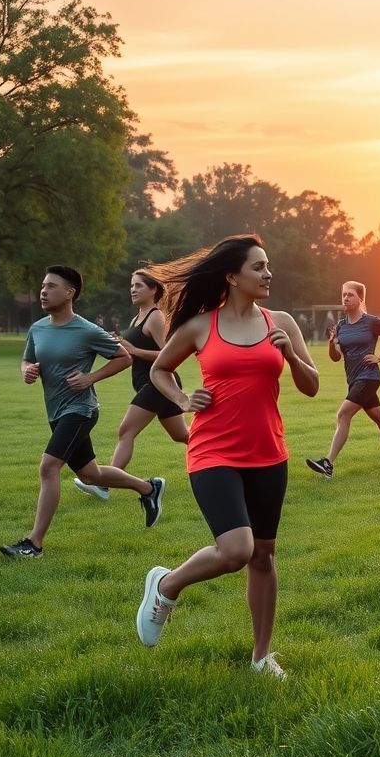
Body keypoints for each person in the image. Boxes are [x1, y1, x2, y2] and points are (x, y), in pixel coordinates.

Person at [136, 235, 319, 676]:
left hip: (269, 452)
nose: (268, 273)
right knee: (237, 549)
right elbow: (160, 369)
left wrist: (291, 354)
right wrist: (181, 400)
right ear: (232, 276)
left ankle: (261, 656)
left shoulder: (282, 321)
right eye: (258, 267)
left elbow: (311, 386)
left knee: (264, 555)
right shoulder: (201, 325)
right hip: (213, 450)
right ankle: (167, 583)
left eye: (268, 265)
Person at [0, 266, 166, 559]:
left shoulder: (87, 329)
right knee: (91, 475)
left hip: (81, 410)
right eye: (43, 286)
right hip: (56, 411)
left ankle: (33, 544)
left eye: (51, 286)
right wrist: (28, 371)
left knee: (48, 467)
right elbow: (27, 359)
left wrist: (90, 378)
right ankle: (148, 488)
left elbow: (123, 357)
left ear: (69, 292)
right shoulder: (38, 328)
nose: (43, 291)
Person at [73, 270, 189, 499]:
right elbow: (130, 351)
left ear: (153, 289)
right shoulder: (137, 317)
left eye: (138, 286)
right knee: (182, 436)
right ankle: (227, 458)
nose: (133, 290)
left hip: (158, 383)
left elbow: (170, 355)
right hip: (151, 384)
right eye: (131, 286)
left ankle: (103, 486)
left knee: (126, 431)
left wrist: (134, 350)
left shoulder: (155, 317)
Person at [305, 282, 380, 478]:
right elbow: (336, 358)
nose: (345, 298)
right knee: (379, 418)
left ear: (360, 298)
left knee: (343, 414)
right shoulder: (341, 326)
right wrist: (331, 342)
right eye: (343, 295)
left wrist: (379, 357)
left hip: (369, 377)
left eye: (350, 295)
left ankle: (328, 463)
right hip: (353, 379)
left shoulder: (371, 322)